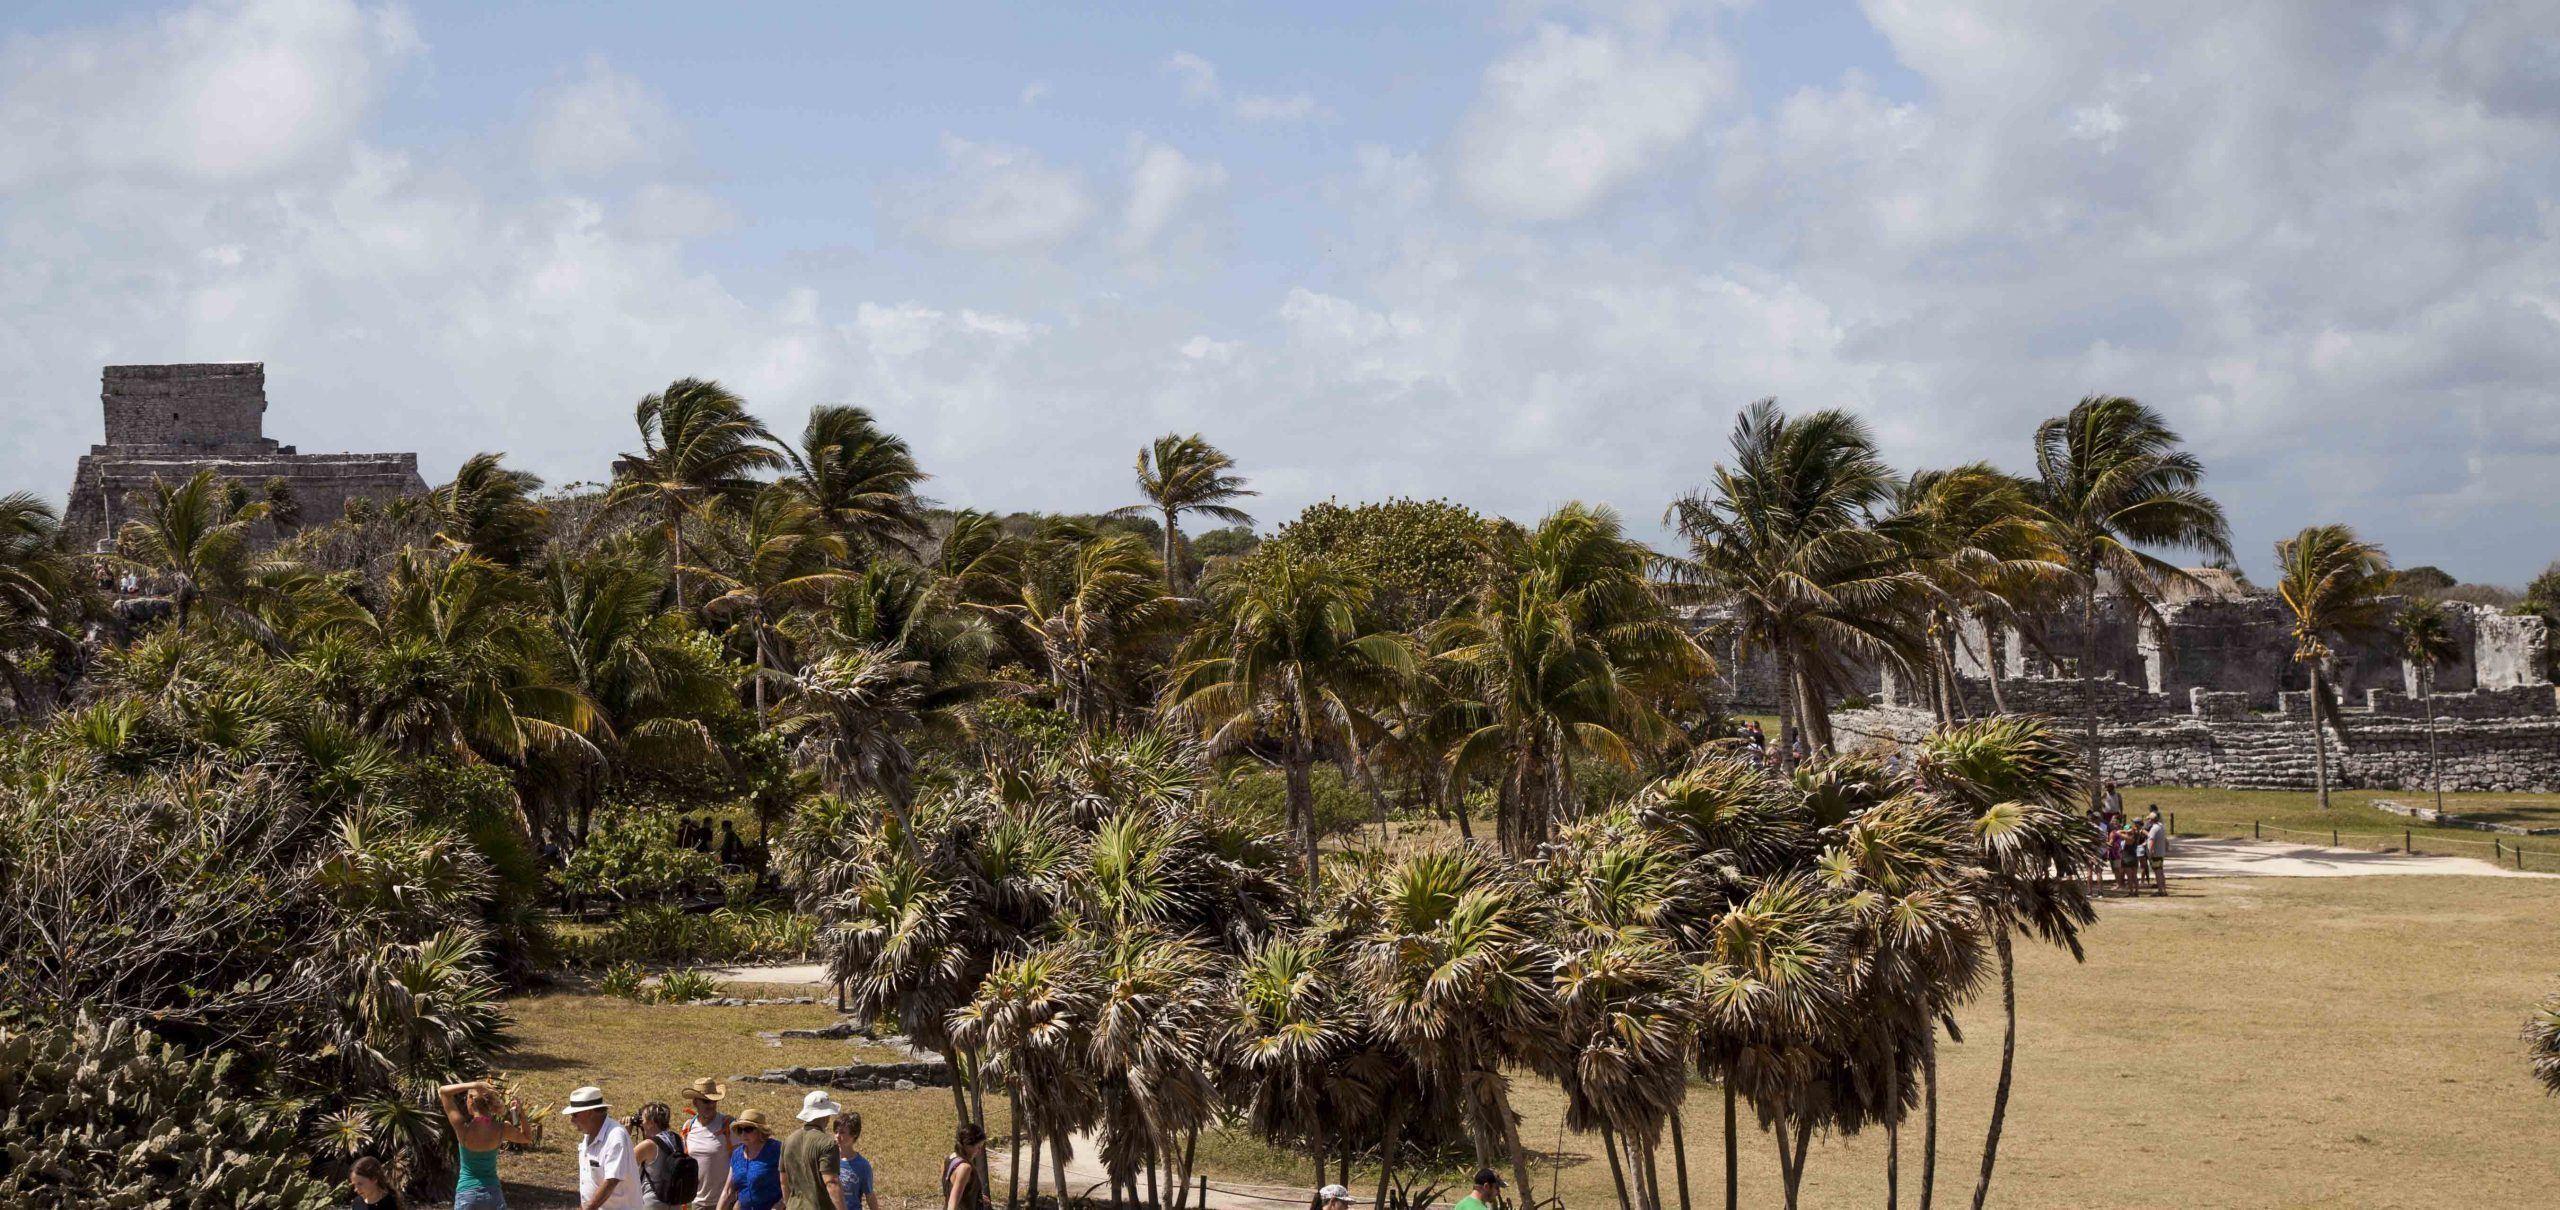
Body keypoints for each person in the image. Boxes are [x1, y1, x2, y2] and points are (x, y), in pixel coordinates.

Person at [439, 1079, 533, 1210]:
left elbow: (443, 1091)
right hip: (493, 1194)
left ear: (470, 1101)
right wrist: (521, 1113)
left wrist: (473, 1085)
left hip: (467, 1194)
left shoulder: (462, 1128)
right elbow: (527, 1137)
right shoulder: (501, 1129)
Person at [565, 1085, 642, 1210]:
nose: (572, 1120)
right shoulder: (588, 1135)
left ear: (589, 1113)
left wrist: (588, 1208)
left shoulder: (616, 1136)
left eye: (575, 1115)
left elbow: (611, 1181)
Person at [780, 1091, 843, 1210]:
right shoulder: (827, 1143)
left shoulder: (788, 1141)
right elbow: (831, 1182)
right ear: (826, 1116)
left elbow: (783, 1181)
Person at [680, 1078, 736, 1210]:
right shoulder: (688, 1126)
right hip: (696, 1202)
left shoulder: (728, 1126)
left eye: (714, 1101)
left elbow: (741, 1159)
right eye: (706, 1101)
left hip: (724, 1202)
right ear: (695, 1102)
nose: (711, 1105)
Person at [633, 1102, 696, 1210]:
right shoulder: (678, 1140)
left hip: (652, 1204)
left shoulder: (648, 1145)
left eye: (642, 1120)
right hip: (675, 1203)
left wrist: (626, 1131)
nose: (640, 1124)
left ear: (651, 1122)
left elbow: (623, 1164)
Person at [721, 1109, 784, 1210]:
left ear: (760, 1130)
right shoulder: (737, 1154)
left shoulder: (776, 1150)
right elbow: (728, 1191)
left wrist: (780, 1204)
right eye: (740, 1130)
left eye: (748, 1129)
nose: (743, 1134)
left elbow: (793, 1182)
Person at [833, 1111, 878, 1210]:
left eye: (842, 1132)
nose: (837, 1136)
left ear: (854, 1134)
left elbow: (870, 1195)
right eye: (836, 1132)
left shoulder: (862, 1166)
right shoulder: (828, 1159)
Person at [942, 1122, 987, 1210]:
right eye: (978, 1147)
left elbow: (949, 1190)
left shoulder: (947, 1160)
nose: (979, 1151)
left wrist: (975, 1196)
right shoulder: (965, 1168)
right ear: (968, 1145)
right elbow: (953, 1203)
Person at [2146, 808, 2169, 894]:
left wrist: (2151, 851)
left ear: (2151, 820)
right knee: (2160, 870)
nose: (2148, 820)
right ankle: (2163, 889)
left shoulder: (2154, 828)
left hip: (2156, 853)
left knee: (2157, 872)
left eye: (2149, 819)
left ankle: (2160, 890)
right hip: (2161, 852)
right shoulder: (2161, 826)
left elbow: (2151, 840)